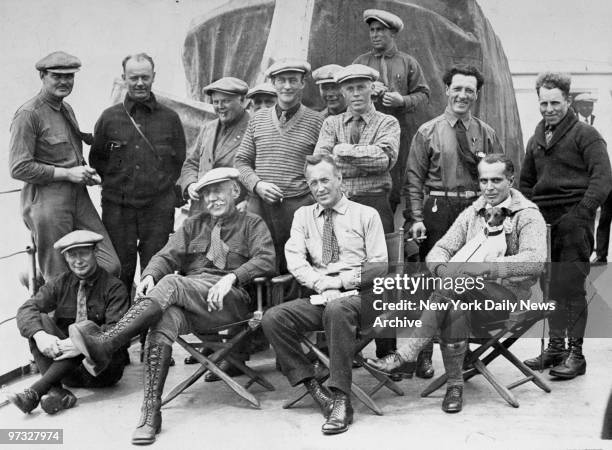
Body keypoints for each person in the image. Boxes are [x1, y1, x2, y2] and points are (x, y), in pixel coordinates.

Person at [68, 167, 275, 445]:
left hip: (230, 303)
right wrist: (150, 274)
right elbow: (166, 255)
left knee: (172, 284)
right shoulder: (192, 225)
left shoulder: (252, 224)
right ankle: (150, 410)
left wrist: (233, 276)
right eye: (206, 194)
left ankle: (107, 343)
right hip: (192, 303)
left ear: (235, 191)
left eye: (218, 191)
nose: (211, 199)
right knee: (164, 319)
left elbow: (266, 260)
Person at [368, 154, 547, 413]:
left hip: (508, 297)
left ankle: (407, 355)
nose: (489, 187)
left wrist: (488, 268)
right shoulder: (473, 212)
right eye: (484, 180)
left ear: (511, 179)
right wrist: (443, 269)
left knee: (454, 286)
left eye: (496, 180)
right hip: (464, 295)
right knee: (454, 300)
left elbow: (535, 260)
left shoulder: (527, 215)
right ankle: (454, 386)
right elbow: (439, 250)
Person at [262, 154, 387, 435]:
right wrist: (322, 284)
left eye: (325, 180)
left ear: (340, 179)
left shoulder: (366, 215)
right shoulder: (303, 216)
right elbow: (294, 260)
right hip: (322, 295)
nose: (319, 188)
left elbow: (379, 266)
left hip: (361, 297)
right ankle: (315, 388)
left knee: (338, 309)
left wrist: (340, 284)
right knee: (273, 318)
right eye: (313, 183)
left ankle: (342, 399)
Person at [403, 64, 503, 377]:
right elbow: (413, 179)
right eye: (457, 88)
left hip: (473, 211)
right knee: (431, 281)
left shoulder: (486, 133)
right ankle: (424, 352)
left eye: (469, 90)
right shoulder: (427, 131)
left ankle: (462, 351)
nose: (462, 95)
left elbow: (499, 178)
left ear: (476, 95)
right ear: (447, 89)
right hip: (437, 211)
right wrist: (416, 218)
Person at [520, 72, 611, 379]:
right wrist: (529, 215)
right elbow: (526, 182)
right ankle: (556, 348)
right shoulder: (536, 139)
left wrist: (582, 212)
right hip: (543, 224)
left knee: (571, 288)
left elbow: (603, 178)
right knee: (549, 286)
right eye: (543, 103)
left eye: (555, 102)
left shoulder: (586, 135)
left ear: (567, 100)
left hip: (574, 221)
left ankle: (576, 354)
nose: (549, 109)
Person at [314, 64, 399, 363]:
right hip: (339, 207)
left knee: (380, 277)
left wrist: (342, 150)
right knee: (337, 269)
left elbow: (384, 160)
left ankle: (387, 352)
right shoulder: (331, 123)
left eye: (361, 86)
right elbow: (323, 162)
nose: (356, 93)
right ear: (343, 92)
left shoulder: (387, 122)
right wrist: (353, 153)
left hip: (376, 202)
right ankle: (342, 350)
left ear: (372, 88)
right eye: (349, 88)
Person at [9, 51, 120, 281]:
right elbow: (18, 168)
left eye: (69, 76)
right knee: (59, 278)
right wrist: (68, 174)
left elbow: (70, 155)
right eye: (57, 76)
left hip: (78, 197)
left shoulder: (65, 108)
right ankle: (45, 292)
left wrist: (85, 173)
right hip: (46, 202)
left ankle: (36, 278)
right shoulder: (28, 115)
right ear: (42, 76)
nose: (64, 82)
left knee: (109, 266)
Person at [89, 53, 186, 293]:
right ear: (124, 78)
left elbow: (179, 161)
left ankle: (153, 327)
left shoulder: (170, 118)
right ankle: (120, 326)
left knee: (156, 270)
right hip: (118, 208)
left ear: (154, 77)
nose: (140, 83)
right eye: (134, 78)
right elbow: (97, 160)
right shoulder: (109, 118)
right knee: (119, 270)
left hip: (157, 209)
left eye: (145, 77)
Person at [7, 230, 129, 415]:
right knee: (38, 321)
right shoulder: (60, 283)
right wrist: (40, 336)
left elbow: (118, 331)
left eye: (84, 253)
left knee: (83, 331)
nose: (78, 260)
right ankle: (57, 391)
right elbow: (25, 309)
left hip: (103, 372)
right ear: (65, 257)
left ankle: (35, 393)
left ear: (95, 251)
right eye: (72, 254)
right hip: (66, 374)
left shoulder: (114, 288)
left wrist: (81, 344)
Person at [235, 59, 324, 273]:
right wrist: (257, 185)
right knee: (257, 263)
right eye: (281, 80)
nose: (287, 86)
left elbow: (321, 167)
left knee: (296, 266)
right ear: (273, 83)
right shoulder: (257, 119)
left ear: (303, 83)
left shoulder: (317, 121)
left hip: (298, 207)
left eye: (293, 80)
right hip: (260, 205)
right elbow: (241, 162)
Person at [352, 8, 430, 213]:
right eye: (372, 30)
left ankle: (390, 228)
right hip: (364, 134)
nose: (375, 34)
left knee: (394, 185)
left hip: (398, 135)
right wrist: (368, 93)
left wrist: (402, 100)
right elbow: (347, 93)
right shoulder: (360, 63)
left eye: (380, 30)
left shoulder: (407, 62)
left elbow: (423, 95)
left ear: (393, 33)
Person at [178, 77, 250, 215]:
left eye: (226, 101)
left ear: (242, 100)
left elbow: (262, 173)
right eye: (216, 102)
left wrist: (249, 202)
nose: (220, 106)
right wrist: (190, 184)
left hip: (233, 212)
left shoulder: (254, 129)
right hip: (200, 210)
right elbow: (191, 164)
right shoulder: (208, 129)